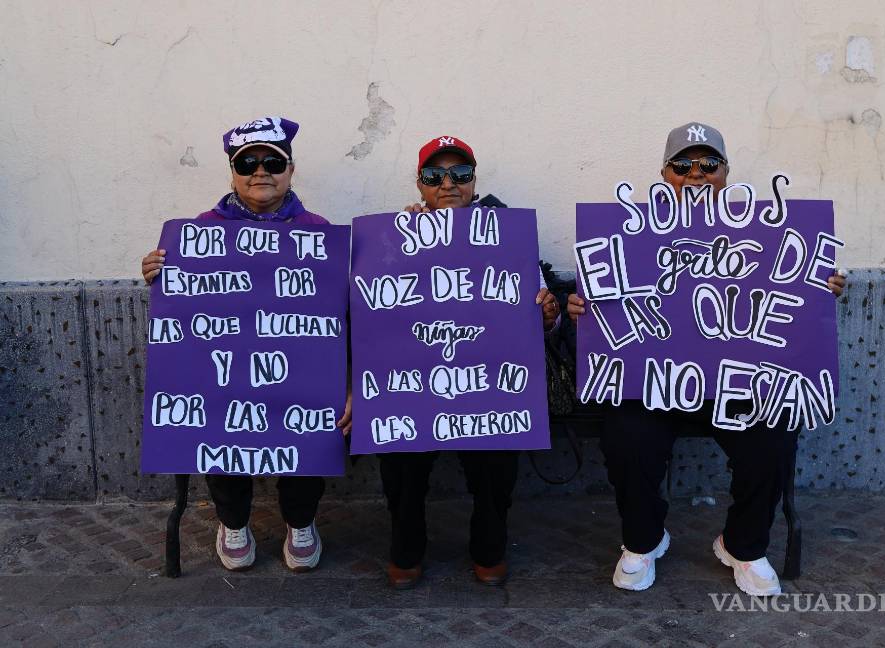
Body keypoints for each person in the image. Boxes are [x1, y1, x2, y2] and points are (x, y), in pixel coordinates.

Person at [567, 123, 846, 596]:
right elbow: (602, 296)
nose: (696, 173)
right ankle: (643, 541)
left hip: (740, 382)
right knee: (627, 438)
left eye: (708, 164)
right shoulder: (628, 232)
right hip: (651, 379)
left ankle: (743, 545)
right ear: (664, 174)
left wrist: (821, 287)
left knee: (772, 439)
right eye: (683, 165)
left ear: (726, 172)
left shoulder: (769, 232)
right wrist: (583, 308)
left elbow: (797, 289)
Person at [141, 116, 352, 572]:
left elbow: (340, 308)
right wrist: (160, 273)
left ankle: (301, 522)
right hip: (225, 369)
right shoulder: (199, 232)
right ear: (233, 173)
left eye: (273, 162)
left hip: (299, 372)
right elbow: (184, 307)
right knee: (222, 435)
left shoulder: (318, 230)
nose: (261, 172)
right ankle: (233, 522)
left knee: (305, 440)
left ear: (290, 171)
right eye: (248, 163)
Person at [380, 135, 560, 589]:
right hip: (413, 381)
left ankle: (489, 546)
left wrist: (547, 314)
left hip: (487, 382)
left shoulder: (508, 234)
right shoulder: (391, 238)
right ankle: (406, 547)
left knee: (496, 456)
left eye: (460, 174)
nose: (447, 183)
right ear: (419, 184)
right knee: (400, 454)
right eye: (434, 175)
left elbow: (540, 320)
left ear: (474, 182)